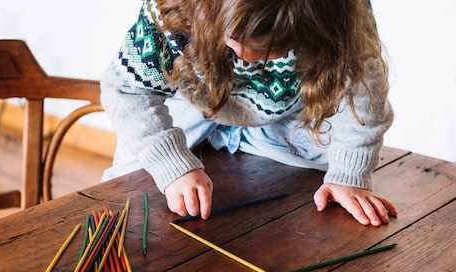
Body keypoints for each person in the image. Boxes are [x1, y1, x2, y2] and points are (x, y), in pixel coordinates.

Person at [100, 0, 398, 226]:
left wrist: (349, 176)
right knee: (127, 188)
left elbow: (363, 95)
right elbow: (125, 91)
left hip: (283, 112)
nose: (248, 59)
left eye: (272, 50)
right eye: (234, 41)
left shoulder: (343, 12)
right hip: (190, 103)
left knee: (332, 172)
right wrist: (172, 164)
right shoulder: (173, 7)